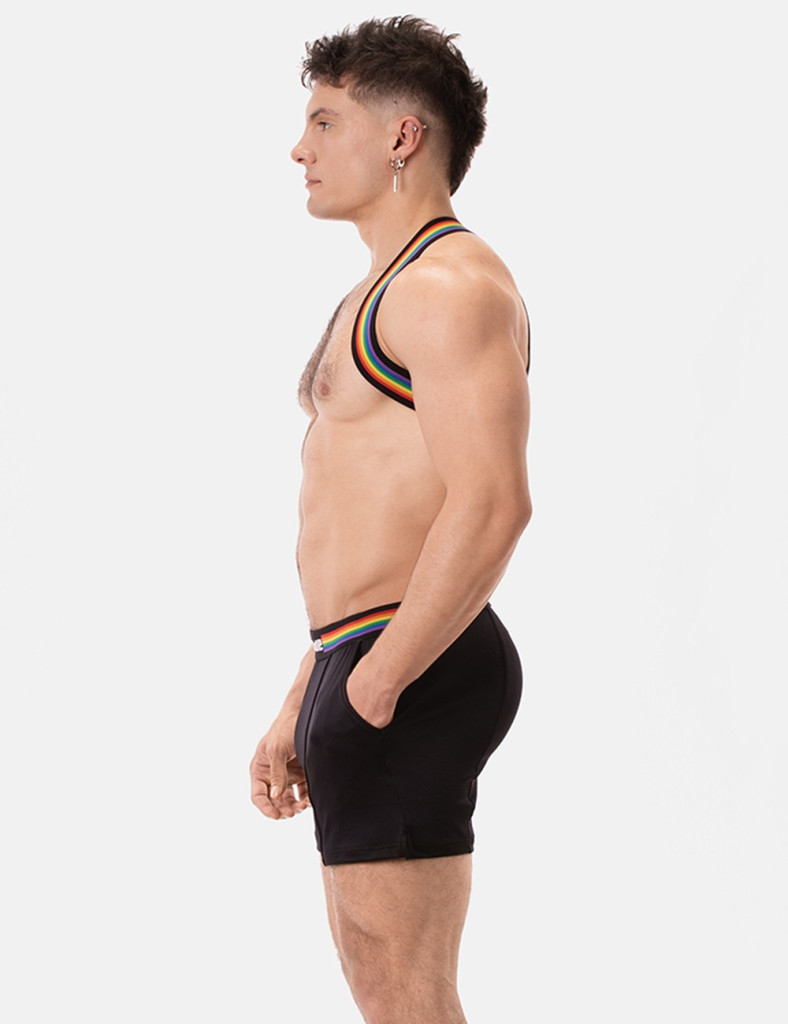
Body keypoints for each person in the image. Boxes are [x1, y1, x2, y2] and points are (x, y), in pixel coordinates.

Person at [250, 16, 531, 1024]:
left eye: (325, 123)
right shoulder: (378, 290)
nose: (299, 149)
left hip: (410, 663)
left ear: (403, 136)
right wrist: (307, 691)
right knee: (385, 989)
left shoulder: (447, 288)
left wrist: (377, 682)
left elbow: (492, 502)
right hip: (362, 653)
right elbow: (364, 519)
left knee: (404, 992)